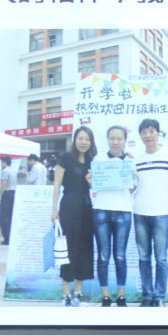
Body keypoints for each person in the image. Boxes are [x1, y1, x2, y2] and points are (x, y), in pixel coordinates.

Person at [133, 118, 168, 307]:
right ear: (140, 136)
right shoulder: (136, 159)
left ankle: (160, 296)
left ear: (158, 133)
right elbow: (132, 188)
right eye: (144, 132)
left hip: (162, 213)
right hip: (139, 213)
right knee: (143, 257)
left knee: (161, 258)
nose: (148, 135)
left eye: (151, 131)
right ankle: (147, 295)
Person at [52, 127, 96, 306]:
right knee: (68, 250)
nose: (83, 142)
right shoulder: (65, 158)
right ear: (74, 140)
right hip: (69, 206)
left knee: (84, 250)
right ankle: (66, 295)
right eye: (80, 138)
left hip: (87, 208)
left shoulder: (92, 161)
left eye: (87, 139)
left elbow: (97, 185)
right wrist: (54, 209)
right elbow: (56, 184)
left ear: (91, 142)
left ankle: (78, 293)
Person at [91, 126, 134, 307]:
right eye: (112, 138)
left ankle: (121, 295)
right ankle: (106, 295)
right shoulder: (98, 159)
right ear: (107, 139)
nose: (115, 142)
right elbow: (94, 184)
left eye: (119, 138)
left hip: (123, 210)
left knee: (120, 256)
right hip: (101, 210)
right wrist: (90, 180)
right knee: (103, 255)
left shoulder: (131, 161)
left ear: (125, 140)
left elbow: (132, 189)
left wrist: (134, 178)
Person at [0, 155, 17, 245]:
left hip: (6, 193)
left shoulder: (4, 171)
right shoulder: (13, 170)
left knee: (4, 217)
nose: (1, 164)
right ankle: (11, 237)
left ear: (5, 162)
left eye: (1, 162)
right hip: (13, 193)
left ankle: (7, 238)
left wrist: (0, 195)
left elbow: (4, 183)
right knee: (10, 216)